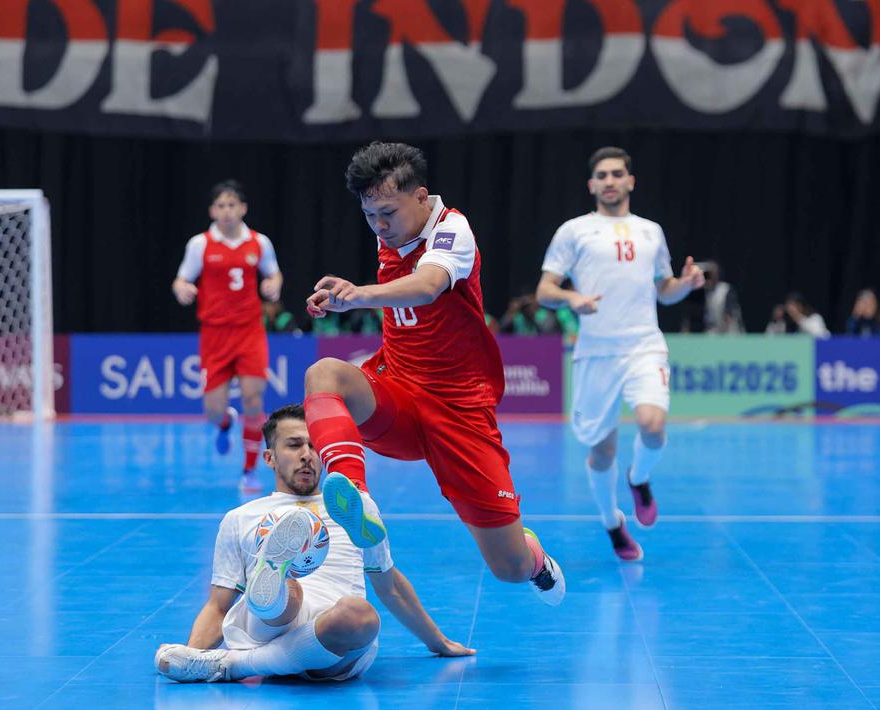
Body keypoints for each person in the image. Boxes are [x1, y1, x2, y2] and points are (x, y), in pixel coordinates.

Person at [300, 141, 566, 606]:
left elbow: (426, 286)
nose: (380, 226)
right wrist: (343, 296)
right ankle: (354, 495)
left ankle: (534, 558)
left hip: (458, 411)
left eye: (387, 212)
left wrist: (356, 295)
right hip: (398, 391)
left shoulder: (453, 230)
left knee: (508, 570)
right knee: (325, 374)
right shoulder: (389, 229)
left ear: (422, 197)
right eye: (369, 216)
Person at [154, 405, 473, 682]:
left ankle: (234, 665)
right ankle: (276, 586)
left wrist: (438, 641)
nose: (307, 454)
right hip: (270, 622)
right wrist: (190, 654)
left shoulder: (354, 507)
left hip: (334, 634)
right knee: (289, 591)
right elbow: (218, 605)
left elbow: (389, 585)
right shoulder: (240, 518)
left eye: (314, 445)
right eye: (294, 445)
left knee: (359, 615)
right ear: (269, 458)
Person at [536, 146, 705, 563]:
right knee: (601, 451)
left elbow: (664, 289)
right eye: (602, 176)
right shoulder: (574, 231)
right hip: (596, 354)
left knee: (652, 424)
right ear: (592, 185)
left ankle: (639, 478)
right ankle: (612, 522)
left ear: (630, 181)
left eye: (617, 174)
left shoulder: (651, 231)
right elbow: (545, 290)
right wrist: (572, 297)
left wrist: (685, 285)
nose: (610, 181)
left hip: (644, 345)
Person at [173, 180, 284, 493]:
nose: (226, 211)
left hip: (249, 331)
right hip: (215, 335)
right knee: (212, 412)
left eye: (232, 205)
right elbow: (182, 279)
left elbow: (273, 272)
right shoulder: (201, 244)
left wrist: (273, 284)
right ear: (212, 211)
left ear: (243, 209)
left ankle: (249, 470)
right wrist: (182, 288)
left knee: (253, 398)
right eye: (220, 206)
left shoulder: (259, 242)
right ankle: (225, 423)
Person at [700, 261, 744, 334]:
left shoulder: (725, 289)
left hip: (730, 329)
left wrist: (724, 331)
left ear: (717, 274)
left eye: (712, 274)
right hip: (714, 330)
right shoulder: (704, 291)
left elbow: (731, 314)